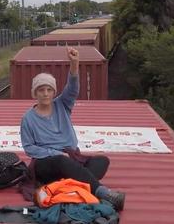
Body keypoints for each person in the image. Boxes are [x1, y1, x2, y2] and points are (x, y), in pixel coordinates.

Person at [19, 46, 125, 211]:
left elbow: (72, 89)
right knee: (63, 161)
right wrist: (56, 153)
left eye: (49, 90)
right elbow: (29, 148)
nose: (45, 94)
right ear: (35, 93)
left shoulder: (63, 104)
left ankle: (66, 185)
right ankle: (102, 192)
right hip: (46, 163)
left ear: (54, 92)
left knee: (102, 161)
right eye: (41, 90)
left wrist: (74, 64)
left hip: (71, 158)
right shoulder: (28, 118)